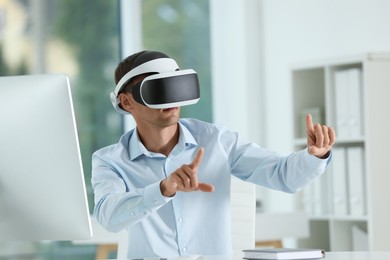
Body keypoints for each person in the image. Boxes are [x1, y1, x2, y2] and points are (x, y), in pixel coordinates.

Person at [91, 50, 336, 259]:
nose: (172, 98)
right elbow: (109, 218)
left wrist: (315, 155)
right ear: (126, 101)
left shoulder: (218, 141)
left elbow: (284, 176)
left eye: (175, 86)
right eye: (158, 88)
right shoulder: (110, 161)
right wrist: (163, 189)